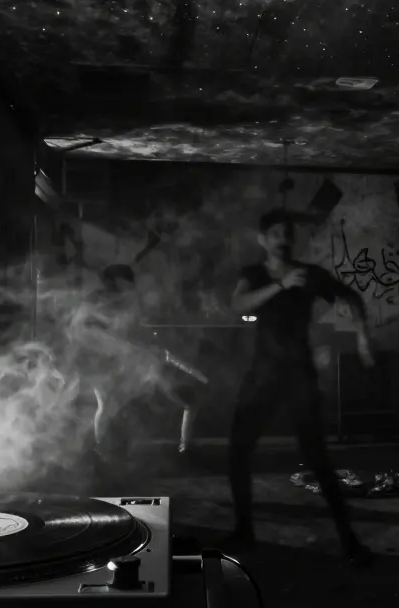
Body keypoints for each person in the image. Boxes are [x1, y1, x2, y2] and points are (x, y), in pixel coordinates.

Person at [223, 209, 376, 564]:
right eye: (276, 233)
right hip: (262, 375)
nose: (283, 239)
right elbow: (238, 305)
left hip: (298, 375)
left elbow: (351, 297)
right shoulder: (254, 274)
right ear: (263, 240)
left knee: (318, 458)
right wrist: (280, 285)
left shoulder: (309, 275)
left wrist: (363, 337)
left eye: (287, 233)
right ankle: (244, 531)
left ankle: (349, 541)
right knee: (237, 453)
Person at [86, 265, 197, 458]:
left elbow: (136, 329)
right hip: (103, 360)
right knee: (107, 404)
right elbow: (94, 333)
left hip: (126, 360)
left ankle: (111, 447)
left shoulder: (129, 301)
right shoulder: (100, 301)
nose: (130, 285)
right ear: (114, 281)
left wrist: (145, 346)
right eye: (126, 281)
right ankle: (102, 448)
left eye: (130, 282)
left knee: (115, 404)